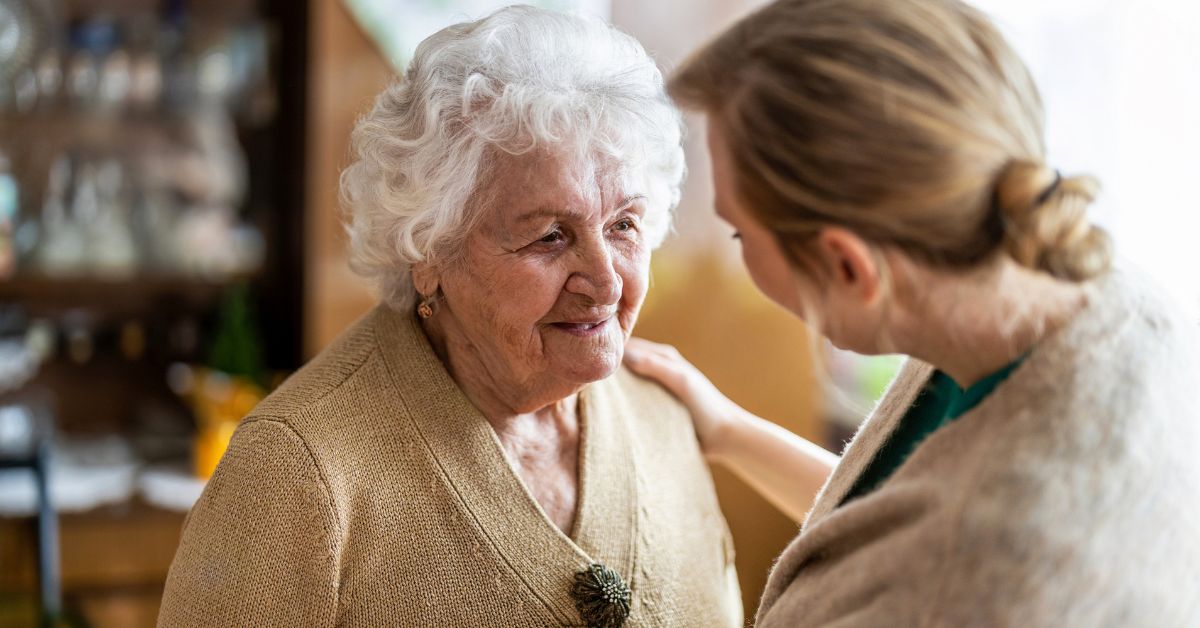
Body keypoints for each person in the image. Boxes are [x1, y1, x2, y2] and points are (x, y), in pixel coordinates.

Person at [158, 7, 742, 627]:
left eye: (624, 224)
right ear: (428, 250)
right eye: (549, 236)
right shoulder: (296, 473)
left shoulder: (664, 420)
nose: (604, 280)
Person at [625, 0, 1200, 625]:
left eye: (740, 234)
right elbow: (893, 522)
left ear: (847, 267)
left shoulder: (989, 579)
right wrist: (730, 431)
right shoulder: (1096, 298)